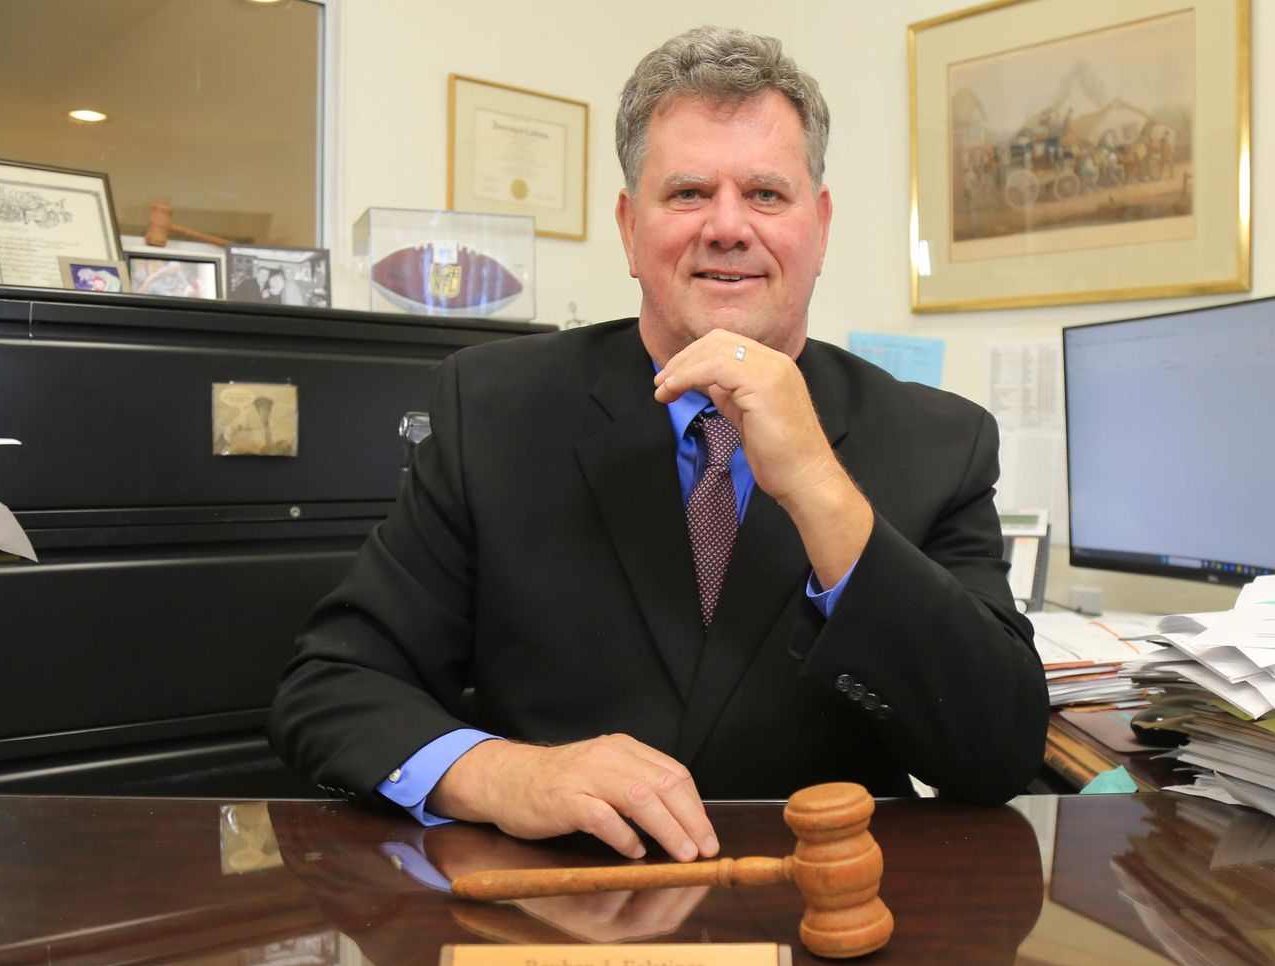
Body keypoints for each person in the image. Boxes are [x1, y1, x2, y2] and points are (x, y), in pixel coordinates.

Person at [271, 26, 1047, 864]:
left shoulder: (938, 440)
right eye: (686, 193)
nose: (727, 227)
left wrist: (821, 487)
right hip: (554, 917)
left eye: (766, 193)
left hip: (816, 914)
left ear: (818, 227)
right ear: (629, 226)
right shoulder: (493, 406)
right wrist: (501, 774)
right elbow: (331, 686)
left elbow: (997, 749)